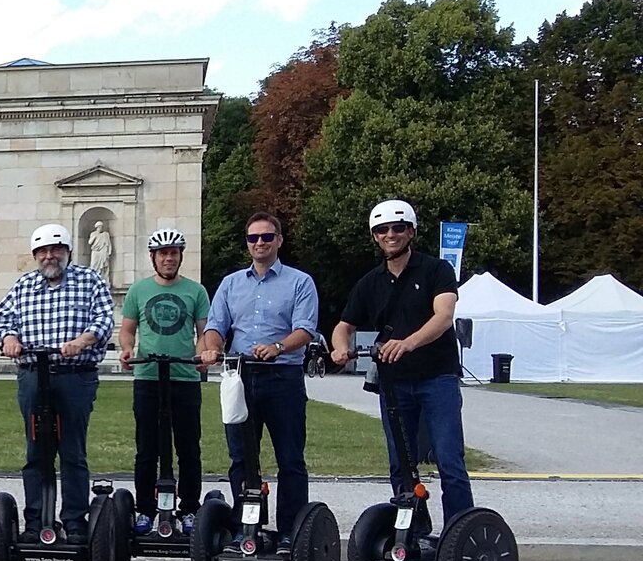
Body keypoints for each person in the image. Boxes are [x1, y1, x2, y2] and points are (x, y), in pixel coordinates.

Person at [330, 199, 471, 524]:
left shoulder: (436, 270)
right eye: (382, 230)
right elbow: (343, 326)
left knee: (449, 458)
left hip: (437, 377)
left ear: (411, 232)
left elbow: (444, 315)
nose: (390, 234)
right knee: (401, 461)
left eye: (398, 228)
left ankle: (459, 531)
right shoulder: (371, 282)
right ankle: (414, 529)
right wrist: (339, 348)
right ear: (375, 236)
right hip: (395, 384)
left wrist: (408, 343)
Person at [198, 212, 319, 537]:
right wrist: (212, 348)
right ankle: (246, 527)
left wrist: (278, 347)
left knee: (290, 459)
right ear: (247, 243)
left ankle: (291, 534)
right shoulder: (231, 283)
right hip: (240, 377)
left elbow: (306, 329)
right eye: (254, 238)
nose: (260, 243)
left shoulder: (299, 282)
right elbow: (215, 326)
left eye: (267, 237)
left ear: (279, 240)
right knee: (241, 458)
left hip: (282, 378)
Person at [0, 224, 114, 540]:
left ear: (67, 252)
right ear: (35, 256)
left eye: (55, 250)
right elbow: (1, 320)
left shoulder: (89, 280)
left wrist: (81, 341)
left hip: (75, 377)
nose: (49, 256)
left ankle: (74, 523)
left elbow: (103, 320)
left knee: (72, 451)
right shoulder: (25, 285)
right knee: (36, 452)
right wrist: (9, 339)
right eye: (43, 252)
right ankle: (36, 523)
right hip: (33, 376)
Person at [117, 227, 209, 534]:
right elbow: (128, 329)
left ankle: (189, 509)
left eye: (173, 253)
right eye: (163, 254)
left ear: (180, 256)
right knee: (147, 448)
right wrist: (128, 349)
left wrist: (200, 355)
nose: (168, 258)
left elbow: (204, 331)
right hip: (148, 376)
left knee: (188, 447)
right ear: (153, 258)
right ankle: (144, 508)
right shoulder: (138, 291)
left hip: (184, 377)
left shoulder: (195, 291)